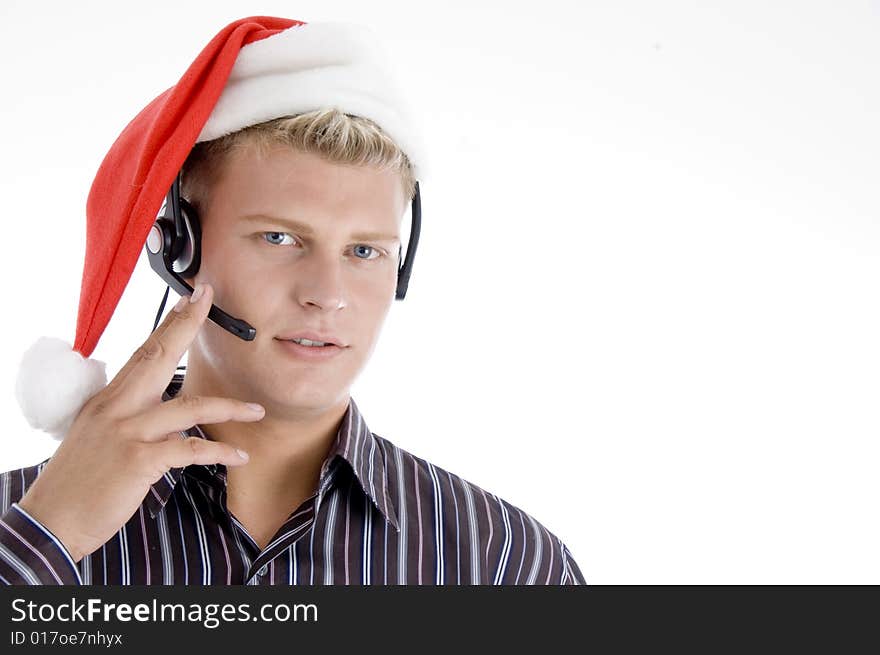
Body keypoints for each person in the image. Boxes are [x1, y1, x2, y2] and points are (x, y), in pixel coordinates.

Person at [0, 16, 586, 585]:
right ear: (180, 250)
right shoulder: (22, 518)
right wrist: (49, 536)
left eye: (365, 251)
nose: (327, 296)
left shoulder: (507, 564)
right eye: (279, 239)